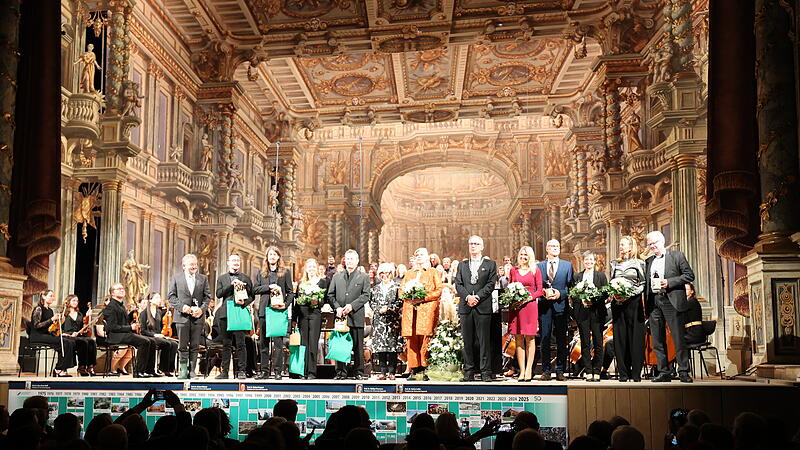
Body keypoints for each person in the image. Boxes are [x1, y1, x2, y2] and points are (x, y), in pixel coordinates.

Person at [645, 230, 695, 383]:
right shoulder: (648, 261)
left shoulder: (676, 256)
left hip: (671, 300)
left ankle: (683, 371)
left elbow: (689, 275)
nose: (653, 246)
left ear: (662, 241)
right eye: (650, 244)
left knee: (678, 338)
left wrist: (669, 282)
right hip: (654, 302)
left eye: (655, 243)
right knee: (657, 340)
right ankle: (664, 371)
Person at [454, 236, 498, 382]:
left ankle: (485, 371)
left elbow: (491, 284)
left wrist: (477, 297)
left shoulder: (490, 264)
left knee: (484, 341)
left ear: (482, 246)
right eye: (471, 243)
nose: (473, 246)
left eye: (476, 244)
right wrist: (468, 297)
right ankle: (469, 371)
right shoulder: (462, 265)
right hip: (466, 307)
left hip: (483, 306)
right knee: (467, 341)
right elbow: (458, 284)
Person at [401, 247, 443, 380]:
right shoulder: (409, 274)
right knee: (412, 339)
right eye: (416, 254)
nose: (419, 256)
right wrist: (409, 298)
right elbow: (401, 291)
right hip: (411, 310)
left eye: (421, 254)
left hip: (426, 310)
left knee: (425, 338)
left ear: (427, 257)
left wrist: (423, 298)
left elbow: (439, 290)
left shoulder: (433, 272)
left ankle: (425, 367)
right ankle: (414, 368)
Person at [327, 249, 371, 379]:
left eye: (352, 259)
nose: (350, 261)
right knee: (341, 346)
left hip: (356, 316)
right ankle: (341, 372)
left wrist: (352, 306)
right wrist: (337, 308)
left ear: (357, 261)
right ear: (344, 260)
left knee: (358, 347)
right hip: (341, 318)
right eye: (348, 258)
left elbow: (366, 295)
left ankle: (358, 372)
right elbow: (330, 295)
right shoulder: (336, 277)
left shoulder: (364, 277)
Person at [167, 253, 211, 379]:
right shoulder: (176, 278)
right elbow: (171, 297)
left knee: (195, 345)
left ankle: (192, 371)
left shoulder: (203, 279)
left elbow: (207, 297)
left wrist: (201, 310)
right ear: (184, 266)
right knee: (182, 345)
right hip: (182, 317)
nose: (194, 266)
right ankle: (183, 370)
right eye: (191, 264)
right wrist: (183, 307)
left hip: (198, 318)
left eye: (196, 264)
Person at [253, 246, 294, 380]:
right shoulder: (261, 272)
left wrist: (285, 305)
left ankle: (277, 371)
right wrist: (268, 287)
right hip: (264, 310)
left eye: (275, 254)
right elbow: (255, 289)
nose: (272, 257)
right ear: (267, 257)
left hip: (278, 311)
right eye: (270, 254)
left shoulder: (285, 272)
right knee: (263, 343)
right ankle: (264, 371)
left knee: (278, 344)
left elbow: (291, 292)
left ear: (278, 257)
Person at [609, 236, 646, 382]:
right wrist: (615, 294)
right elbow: (611, 282)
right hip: (618, 304)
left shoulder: (640, 263)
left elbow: (643, 283)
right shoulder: (614, 263)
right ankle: (623, 373)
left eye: (623, 244)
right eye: (620, 244)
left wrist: (629, 294)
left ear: (631, 246)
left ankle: (636, 373)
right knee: (620, 338)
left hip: (634, 303)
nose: (620, 246)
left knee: (635, 337)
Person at [537, 239, 574, 381]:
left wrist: (560, 294)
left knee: (561, 339)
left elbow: (570, 287)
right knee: (545, 339)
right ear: (547, 248)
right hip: (545, 306)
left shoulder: (567, 266)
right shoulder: (539, 266)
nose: (555, 248)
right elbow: (537, 286)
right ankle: (546, 371)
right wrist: (544, 292)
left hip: (560, 306)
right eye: (552, 246)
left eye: (557, 246)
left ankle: (560, 370)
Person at [215, 253, 255, 379]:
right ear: (228, 262)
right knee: (226, 344)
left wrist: (245, 303)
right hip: (225, 313)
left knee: (241, 343)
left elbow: (252, 295)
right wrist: (231, 285)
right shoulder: (222, 278)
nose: (236, 262)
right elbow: (219, 294)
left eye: (237, 260)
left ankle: (242, 370)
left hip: (239, 311)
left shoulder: (246, 278)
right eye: (233, 260)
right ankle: (225, 372)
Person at [571, 251, 609, 381]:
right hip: (583, 314)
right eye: (586, 260)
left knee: (598, 342)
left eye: (591, 259)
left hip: (597, 313)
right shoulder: (577, 277)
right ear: (583, 261)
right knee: (585, 343)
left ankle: (597, 370)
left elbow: (605, 294)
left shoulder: (601, 276)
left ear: (595, 261)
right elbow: (573, 295)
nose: (589, 262)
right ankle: (588, 371)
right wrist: (581, 302)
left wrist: (594, 300)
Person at [104, 283, 156, 378]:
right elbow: (112, 327)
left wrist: (134, 314)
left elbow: (125, 321)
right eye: (119, 289)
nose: (122, 290)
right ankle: (138, 372)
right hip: (115, 336)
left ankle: (149, 370)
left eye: (122, 288)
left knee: (152, 341)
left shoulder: (121, 306)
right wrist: (130, 328)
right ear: (112, 293)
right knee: (144, 342)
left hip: (123, 334)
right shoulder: (111, 307)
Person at [508, 246, 544, 382]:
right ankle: (521, 370)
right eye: (522, 254)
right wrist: (513, 298)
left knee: (530, 338)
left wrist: (528, 298)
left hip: (529, 306)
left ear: (530, 256)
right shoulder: (513, 270)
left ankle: (529, 369)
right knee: (518, 338)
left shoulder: (535, 270)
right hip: (516, 306)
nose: (523, 257)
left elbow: (540, 290)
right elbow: (510, 287)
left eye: (526, 255)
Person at [369, 262, 404, 380]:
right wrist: (378, 309)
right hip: (379, 321)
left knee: (391, 347)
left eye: (387, 273)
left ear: (391, 274)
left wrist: (388, 309)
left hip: (392, 321)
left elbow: (399, 302)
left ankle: (392, 372)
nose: (384, 276)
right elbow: (371, 302)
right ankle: (383, 372)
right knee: (381, 347)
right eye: (382, 273)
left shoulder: (397, 288)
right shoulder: (375, 288)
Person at [29, 290, 76, 376]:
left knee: (69, 341)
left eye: (53, 296)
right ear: (43, 296)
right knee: (65, 343)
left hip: (47, 334)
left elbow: (50, 328)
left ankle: (62, 368)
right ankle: (59, 369)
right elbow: (36, 325)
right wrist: (52, 319)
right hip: (37, 335)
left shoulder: (50, 311)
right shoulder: (38, 308)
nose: (53, 298)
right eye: (50, 296)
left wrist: (60, 333)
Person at [295, 258, 328, 379]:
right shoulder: (301, 283)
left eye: (313, 267)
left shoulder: (322, 282)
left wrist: (317, 301)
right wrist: (294, 319)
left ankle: (312, 372)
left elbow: (324, 300)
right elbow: (297, 303)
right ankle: (303, 371)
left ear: (317, 268)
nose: (311, 269)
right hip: (303, 315)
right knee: (304, 343)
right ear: (306, 269)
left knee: (313, 343)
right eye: (309, 267)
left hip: (315, 314)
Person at [139, 293, 179, 376]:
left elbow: (161, 328)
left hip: (158, 337)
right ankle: (154, 369)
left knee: (174, 344)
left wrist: (163, 333)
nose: (159, 299)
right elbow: (143, 331)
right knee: (167, 343)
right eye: (157, 298)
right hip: (148, 337)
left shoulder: (159, 312)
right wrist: (155, 335)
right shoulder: (144, 313)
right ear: (150, 300)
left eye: (160, 298)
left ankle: (167, 369)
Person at [61, 294, 97, 376]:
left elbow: (82, 328)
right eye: (73, 300)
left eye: (77, 301)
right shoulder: (63, 314)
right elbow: (60, 329)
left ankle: (89, 366)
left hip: (77, 336)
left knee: (91, 341)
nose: (75, 302)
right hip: (68, 336)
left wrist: (85, 328)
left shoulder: (80, 314)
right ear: (68, 302)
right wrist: (67, 334)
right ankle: (81, 366)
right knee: (83, 342)